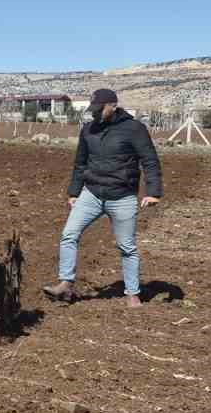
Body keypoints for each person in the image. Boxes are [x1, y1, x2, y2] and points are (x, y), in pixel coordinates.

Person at [42, 87, 162, 308]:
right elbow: (80, 163)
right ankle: (65, 283)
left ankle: (132, 293)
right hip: (92, 193)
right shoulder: (88, 129)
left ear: (113, 106)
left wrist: (153, 192)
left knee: (127, 246)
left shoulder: (134, 129)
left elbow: (150, 160)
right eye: (93, 109)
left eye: (99, 109)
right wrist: (74, 193)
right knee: (69, 234)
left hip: (122, 196)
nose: (95, 113)